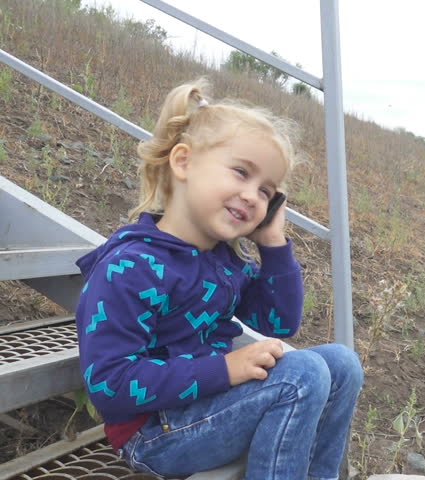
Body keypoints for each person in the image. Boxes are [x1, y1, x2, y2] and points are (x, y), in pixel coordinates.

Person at [74, 78, 363, 480]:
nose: (252, 196)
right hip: (153, 432)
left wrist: (273, 242)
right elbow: (111, 386)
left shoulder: (223, 262)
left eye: (266, 192)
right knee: (303, 375)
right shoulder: (130, 267)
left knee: (342, 364)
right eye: (241, 172)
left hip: (207, 407)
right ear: (183, 162)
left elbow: (279, 323)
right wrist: (225, 369)